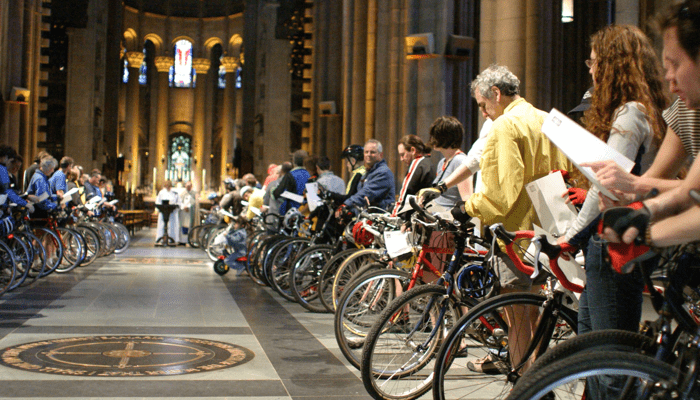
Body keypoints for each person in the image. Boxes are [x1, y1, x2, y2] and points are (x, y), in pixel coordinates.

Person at [449, 64, 572, 373]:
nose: (484, 113)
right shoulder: (547, 119)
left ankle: (523, 387)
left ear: (497, 94)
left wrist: (468, 209)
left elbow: (503, 193)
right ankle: (537, 380)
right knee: (534, 315)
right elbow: (568, 175)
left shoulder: (506, 126)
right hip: (548, 231)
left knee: (517, 320)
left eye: (483, 105)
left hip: (515, 237)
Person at [556, 26, 668, 349]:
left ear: (612, 65)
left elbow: (604, 185)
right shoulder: (641, 109)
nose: (591, 70)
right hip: (615, 234)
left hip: (613, 237)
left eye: (593, 63)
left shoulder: (631, 112)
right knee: (593, 348)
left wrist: (571, 235)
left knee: (607, 355)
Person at [338, 139, 395, 212]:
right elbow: (360, 200)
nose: (368, 155)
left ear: (380, 155)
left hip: (380, 218)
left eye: (372, 152)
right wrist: (351, 212)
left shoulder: (384, 172)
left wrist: (346, 205)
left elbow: (367, 193)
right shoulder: (366, 173)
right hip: (367, 217)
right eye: (366, 152)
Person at [391, 135, 435, 216]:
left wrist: (394, 214)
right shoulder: (429, 163)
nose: (401, 159)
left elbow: (406, 193)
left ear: (413, 150)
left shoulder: (417, 162)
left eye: (402, 154)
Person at [274, 149, 311, 215]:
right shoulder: (311, 175)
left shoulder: (290, 175)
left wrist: (272, 190)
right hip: (307, 212)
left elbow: (277, 193)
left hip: (292, 212)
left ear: (293, 161)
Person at [0, 146, 32, 213]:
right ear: (5, 157)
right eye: (11, 161)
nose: (9, 163)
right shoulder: (2, 169)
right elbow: (7, 191)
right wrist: (25, 204)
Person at [155, 180, 181, 245]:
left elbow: (179, 202)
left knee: (172, 225)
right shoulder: (161, 192)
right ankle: (162, 238)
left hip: (172, 212)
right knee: (162, 225)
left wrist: (175, 205)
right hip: (163, 212)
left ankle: (172, 238)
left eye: (169, 185)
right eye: (166, 185)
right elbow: (158, 202)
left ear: (171, 186)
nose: (168, 187)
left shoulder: (175, 193)